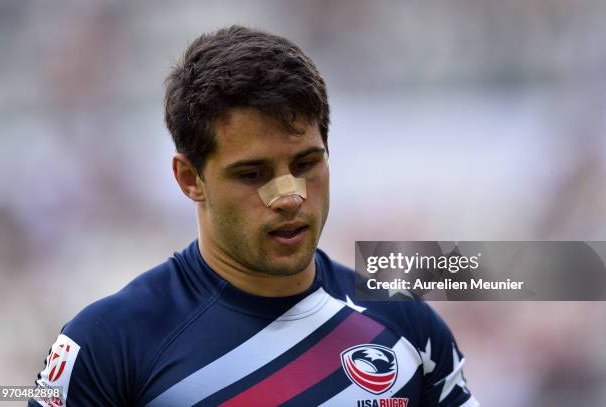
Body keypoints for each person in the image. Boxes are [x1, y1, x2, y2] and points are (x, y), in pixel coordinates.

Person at [30, 26, 479, 407]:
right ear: (190, 179)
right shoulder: (108, 344)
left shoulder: (407, 326)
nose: (288, 197)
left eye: (305, 165)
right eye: (252, 173)